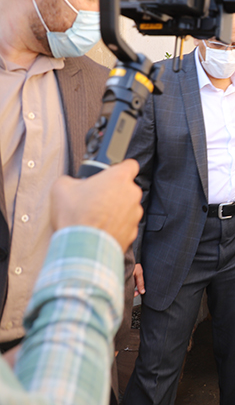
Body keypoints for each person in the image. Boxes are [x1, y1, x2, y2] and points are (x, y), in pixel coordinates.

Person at [0, 0, 134, 398]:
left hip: (73, 349)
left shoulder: (101, 85)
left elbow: (110, 218)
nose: (103, 14)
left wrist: (110, 334)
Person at [124, 13, 235, 405]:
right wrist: (132, 250)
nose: (229, 53)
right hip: (176, 238)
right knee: (158, 364)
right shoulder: (158, 81)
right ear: (196, 36)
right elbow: (135, 175)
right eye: (220, 44)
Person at [0, 160, 142, 405]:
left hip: (51, 332)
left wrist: (114, 335)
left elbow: (108, 210)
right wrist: (90, 241)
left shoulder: (88, 137)